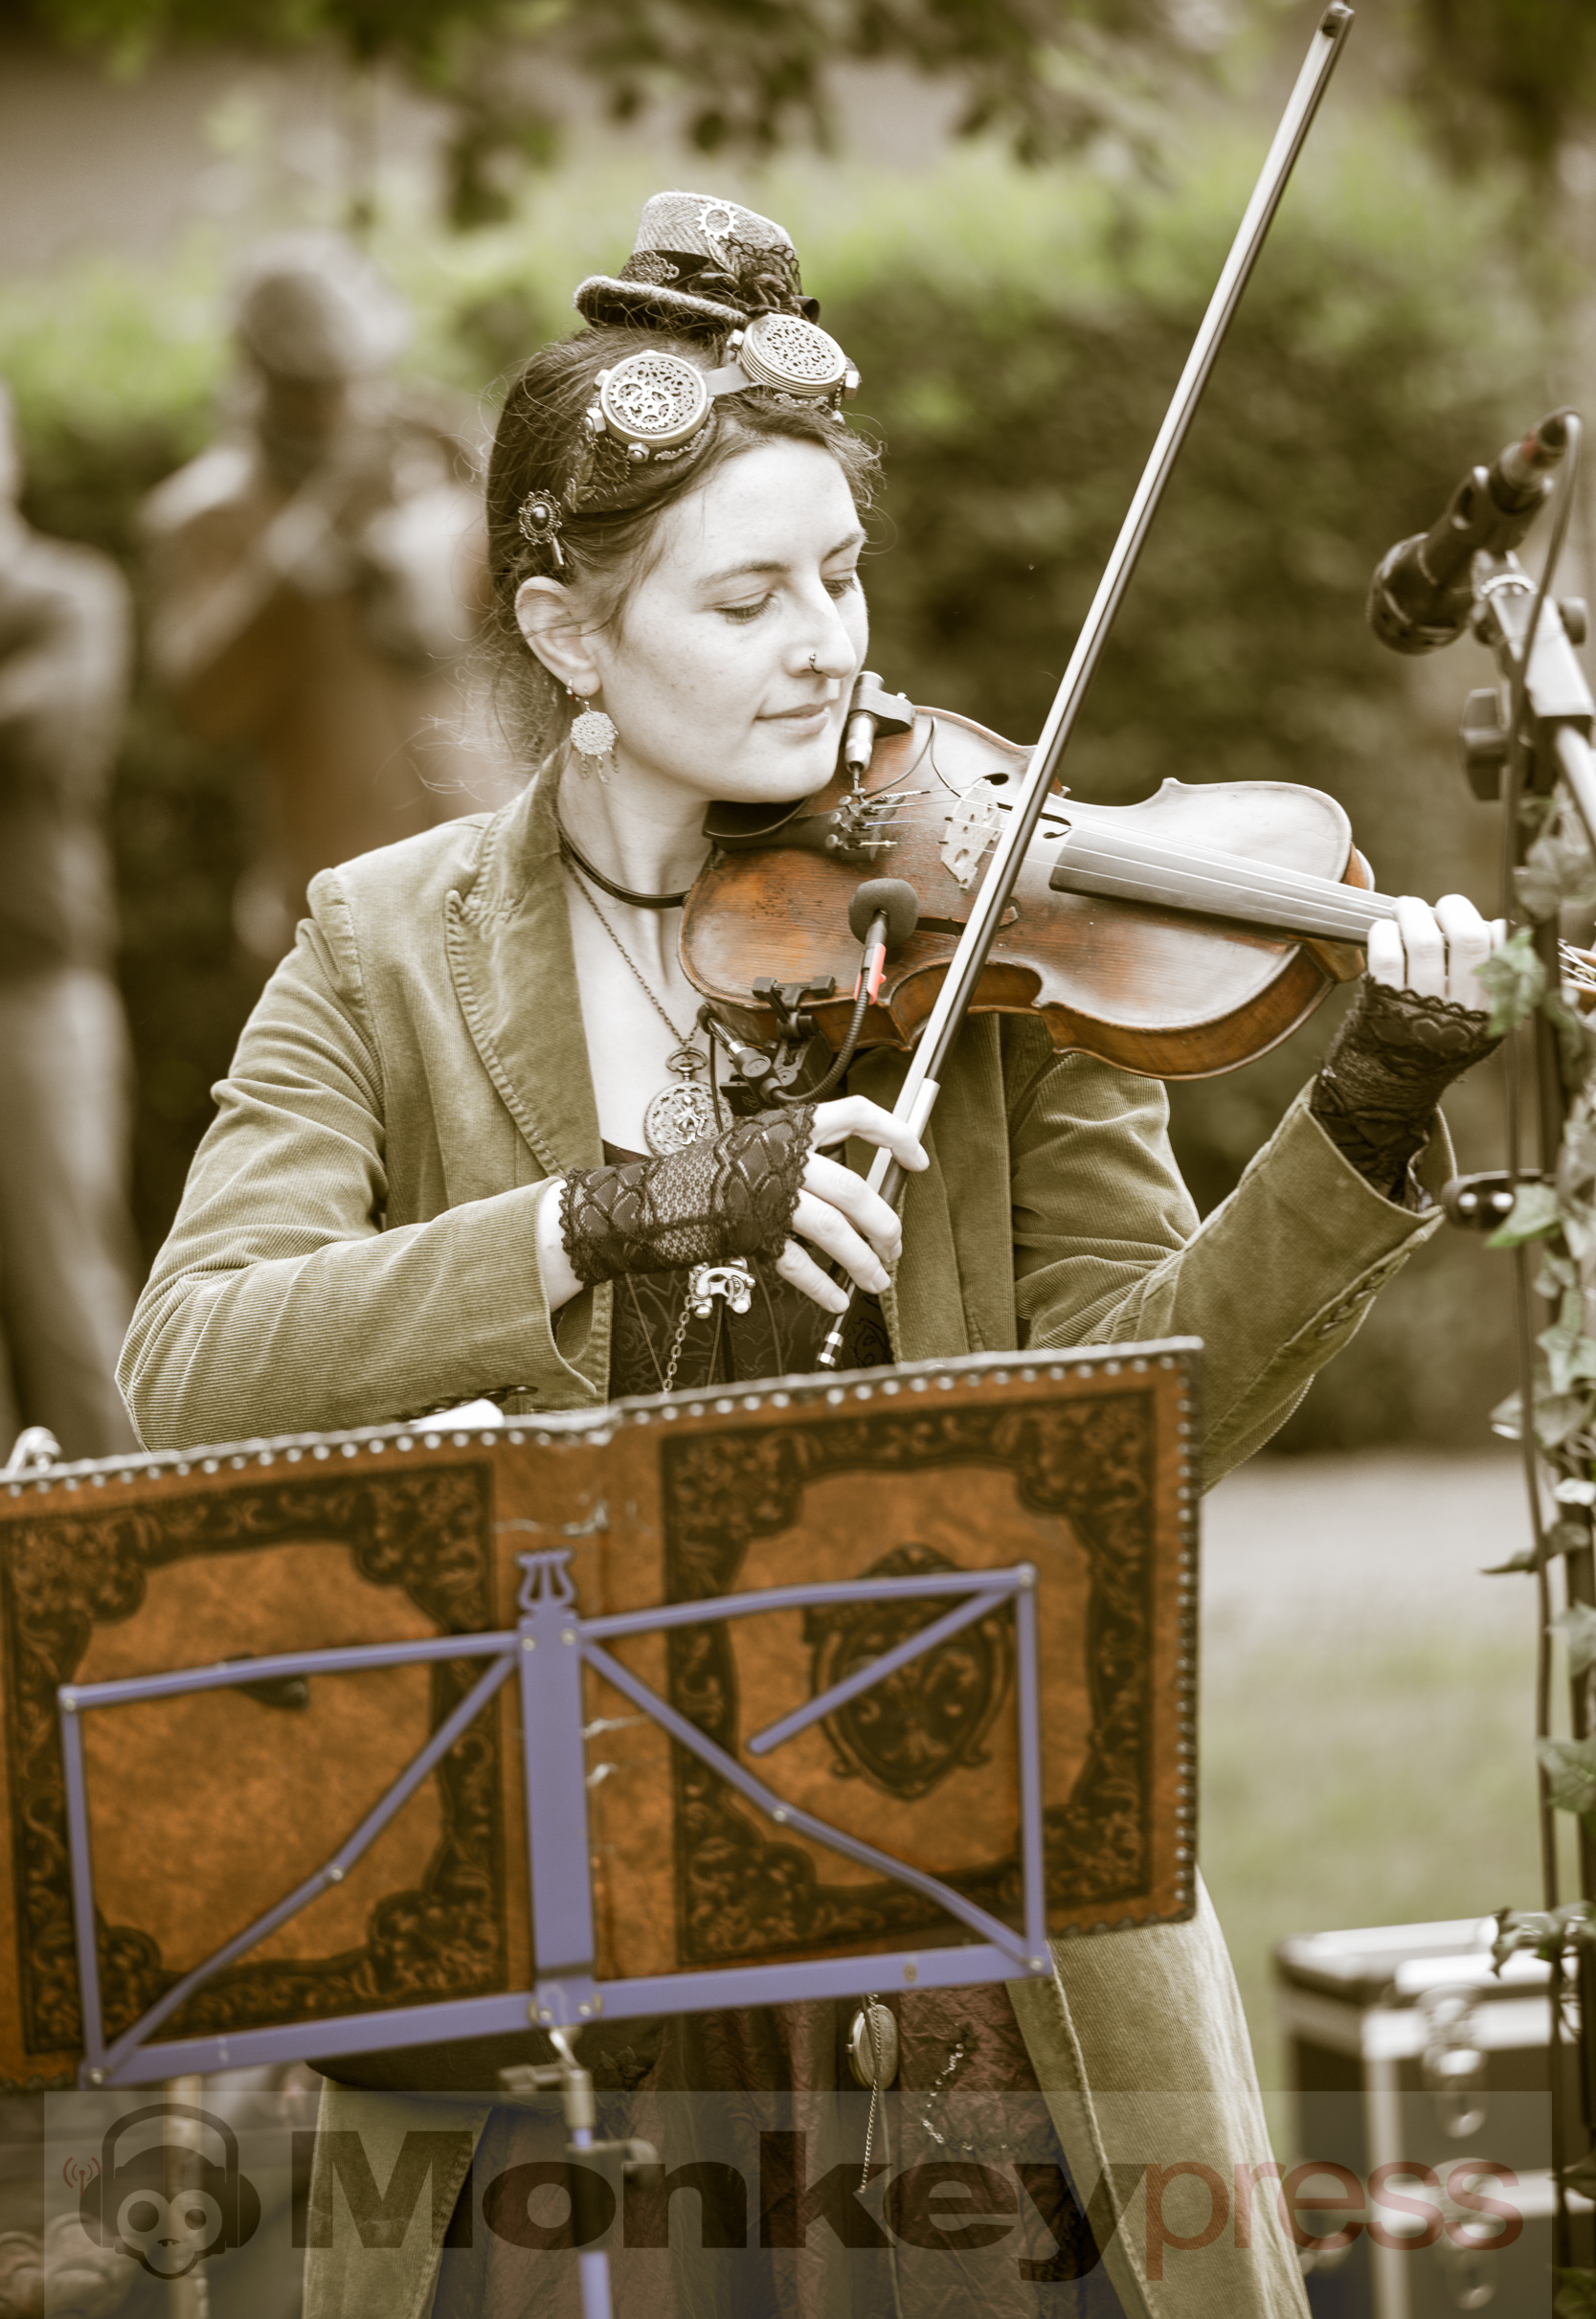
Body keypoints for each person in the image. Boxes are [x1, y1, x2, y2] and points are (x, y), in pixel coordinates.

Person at [120, 193, 1503, 2319]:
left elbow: (1139, 1413)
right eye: (746, 593)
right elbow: (190, 1363)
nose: (827, 645)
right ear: (569, 632)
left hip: (970, 1956)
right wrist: (602, 1213)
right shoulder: (378, 952)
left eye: (840, 575)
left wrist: (1363, 1114)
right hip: (538, 1968)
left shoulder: (976, 915)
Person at [142, 230, 522, 967]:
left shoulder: (433, 469)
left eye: (359, 374)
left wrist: (494, 494)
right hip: (338, 915)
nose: (343, 404)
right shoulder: (206, 514)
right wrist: (311, 541)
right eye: (310, 383)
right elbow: (205, 711)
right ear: (259, 373)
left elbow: (524, 643)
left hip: (497, 892)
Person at [0, 379, 140, 1461]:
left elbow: (39, 738)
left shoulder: (67, 594)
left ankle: (140, 1569)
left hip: (32, 990)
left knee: (70, 1300)